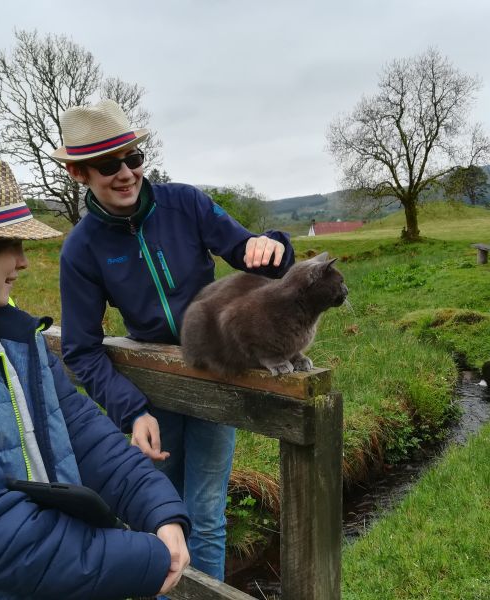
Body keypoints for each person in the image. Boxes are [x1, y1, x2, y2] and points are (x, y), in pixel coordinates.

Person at [0, 155, 191, 600]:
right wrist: (145, 559)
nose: (23, 261)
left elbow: (79, 429)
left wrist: (158, 507)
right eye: (9, 243)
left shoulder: (10, 332)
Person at [53, 99, 295, 581]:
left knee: (206, 513)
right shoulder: (81, 248)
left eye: (133, 159)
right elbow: (81, 347)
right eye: (108, 164)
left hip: (213, 378)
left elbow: (252, 254)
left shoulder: (186, 204)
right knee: (160, 517)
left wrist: (273, 246)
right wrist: (131, 409)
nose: (125, 173)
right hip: (153, 396)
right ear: (81, 174)